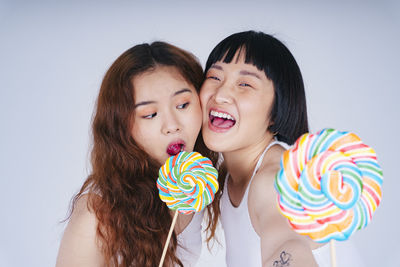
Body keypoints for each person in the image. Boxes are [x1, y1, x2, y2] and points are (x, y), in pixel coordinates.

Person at [56, 41, 217, 267]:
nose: (172, 125)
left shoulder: (203, 186)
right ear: (121, 126)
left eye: (182, 105)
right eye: (150, 114)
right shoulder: (98, 213)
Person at [201, 31, 330, 266]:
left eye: (245, 84)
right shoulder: (229, 177)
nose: (220, 95)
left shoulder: (276, 178)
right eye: (214, 77)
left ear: (276, 110)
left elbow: (288, 244)